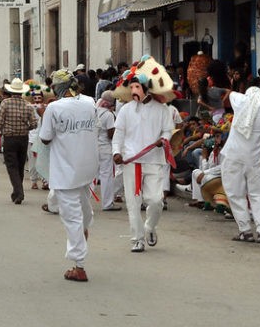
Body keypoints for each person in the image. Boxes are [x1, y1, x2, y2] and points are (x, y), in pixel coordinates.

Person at [112, 56, 176, 253]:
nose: (133, 92)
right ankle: (137, 239)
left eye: (137, 88)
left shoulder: (162, 110)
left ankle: (149, 227)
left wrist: (162, 140)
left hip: (154, 161)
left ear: (146, 88)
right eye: (131, 88)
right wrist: (116, 152)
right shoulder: (125, 110)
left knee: (156, 200)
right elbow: (118, 135)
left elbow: (168, 131)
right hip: (131, 162)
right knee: (133, 203)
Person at [40, 69, 99, 282]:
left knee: (71, 216)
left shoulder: (54, 108)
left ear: (59, 87)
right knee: (83, 208)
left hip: (65, 169)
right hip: (87, 166)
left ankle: (79, 265)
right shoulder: (91, 102)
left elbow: (45, 138)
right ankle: (83, 231)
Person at [221, 86, 260, 243]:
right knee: (259, 193)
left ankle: (245, 231)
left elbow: (227, 93)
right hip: (255, 156)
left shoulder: (240, 100)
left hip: (233, 155)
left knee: (235, 193)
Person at [0, 78, 39, 204]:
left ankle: (19, 191)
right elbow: (34, 124)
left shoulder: (5, 103)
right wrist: (25, 127)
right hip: (23, 138)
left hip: (10, 139)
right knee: (20, 165)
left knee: (12, 166)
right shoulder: (27, 105)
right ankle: (17, 191)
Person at [96, 90, 120, 211]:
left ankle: (83, 201)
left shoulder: (94, 111)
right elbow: (111, 134)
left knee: (91, 176)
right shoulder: (109, 115)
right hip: (105, 148)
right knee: (106, 176)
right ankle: (107, 203)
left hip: (94, 147)